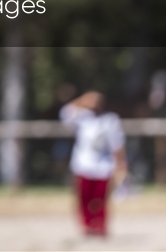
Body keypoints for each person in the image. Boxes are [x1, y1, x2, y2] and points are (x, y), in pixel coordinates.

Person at [60, 90, 127, 237]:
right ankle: (87, 226)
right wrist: (83, 100)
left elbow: (117, 144)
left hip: (103, 167)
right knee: (84, 198)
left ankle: (100, 227)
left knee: (100, 199)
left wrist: (121, 163)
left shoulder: (110, 120)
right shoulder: (82, 118)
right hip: (83, 165)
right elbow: (65, 113)